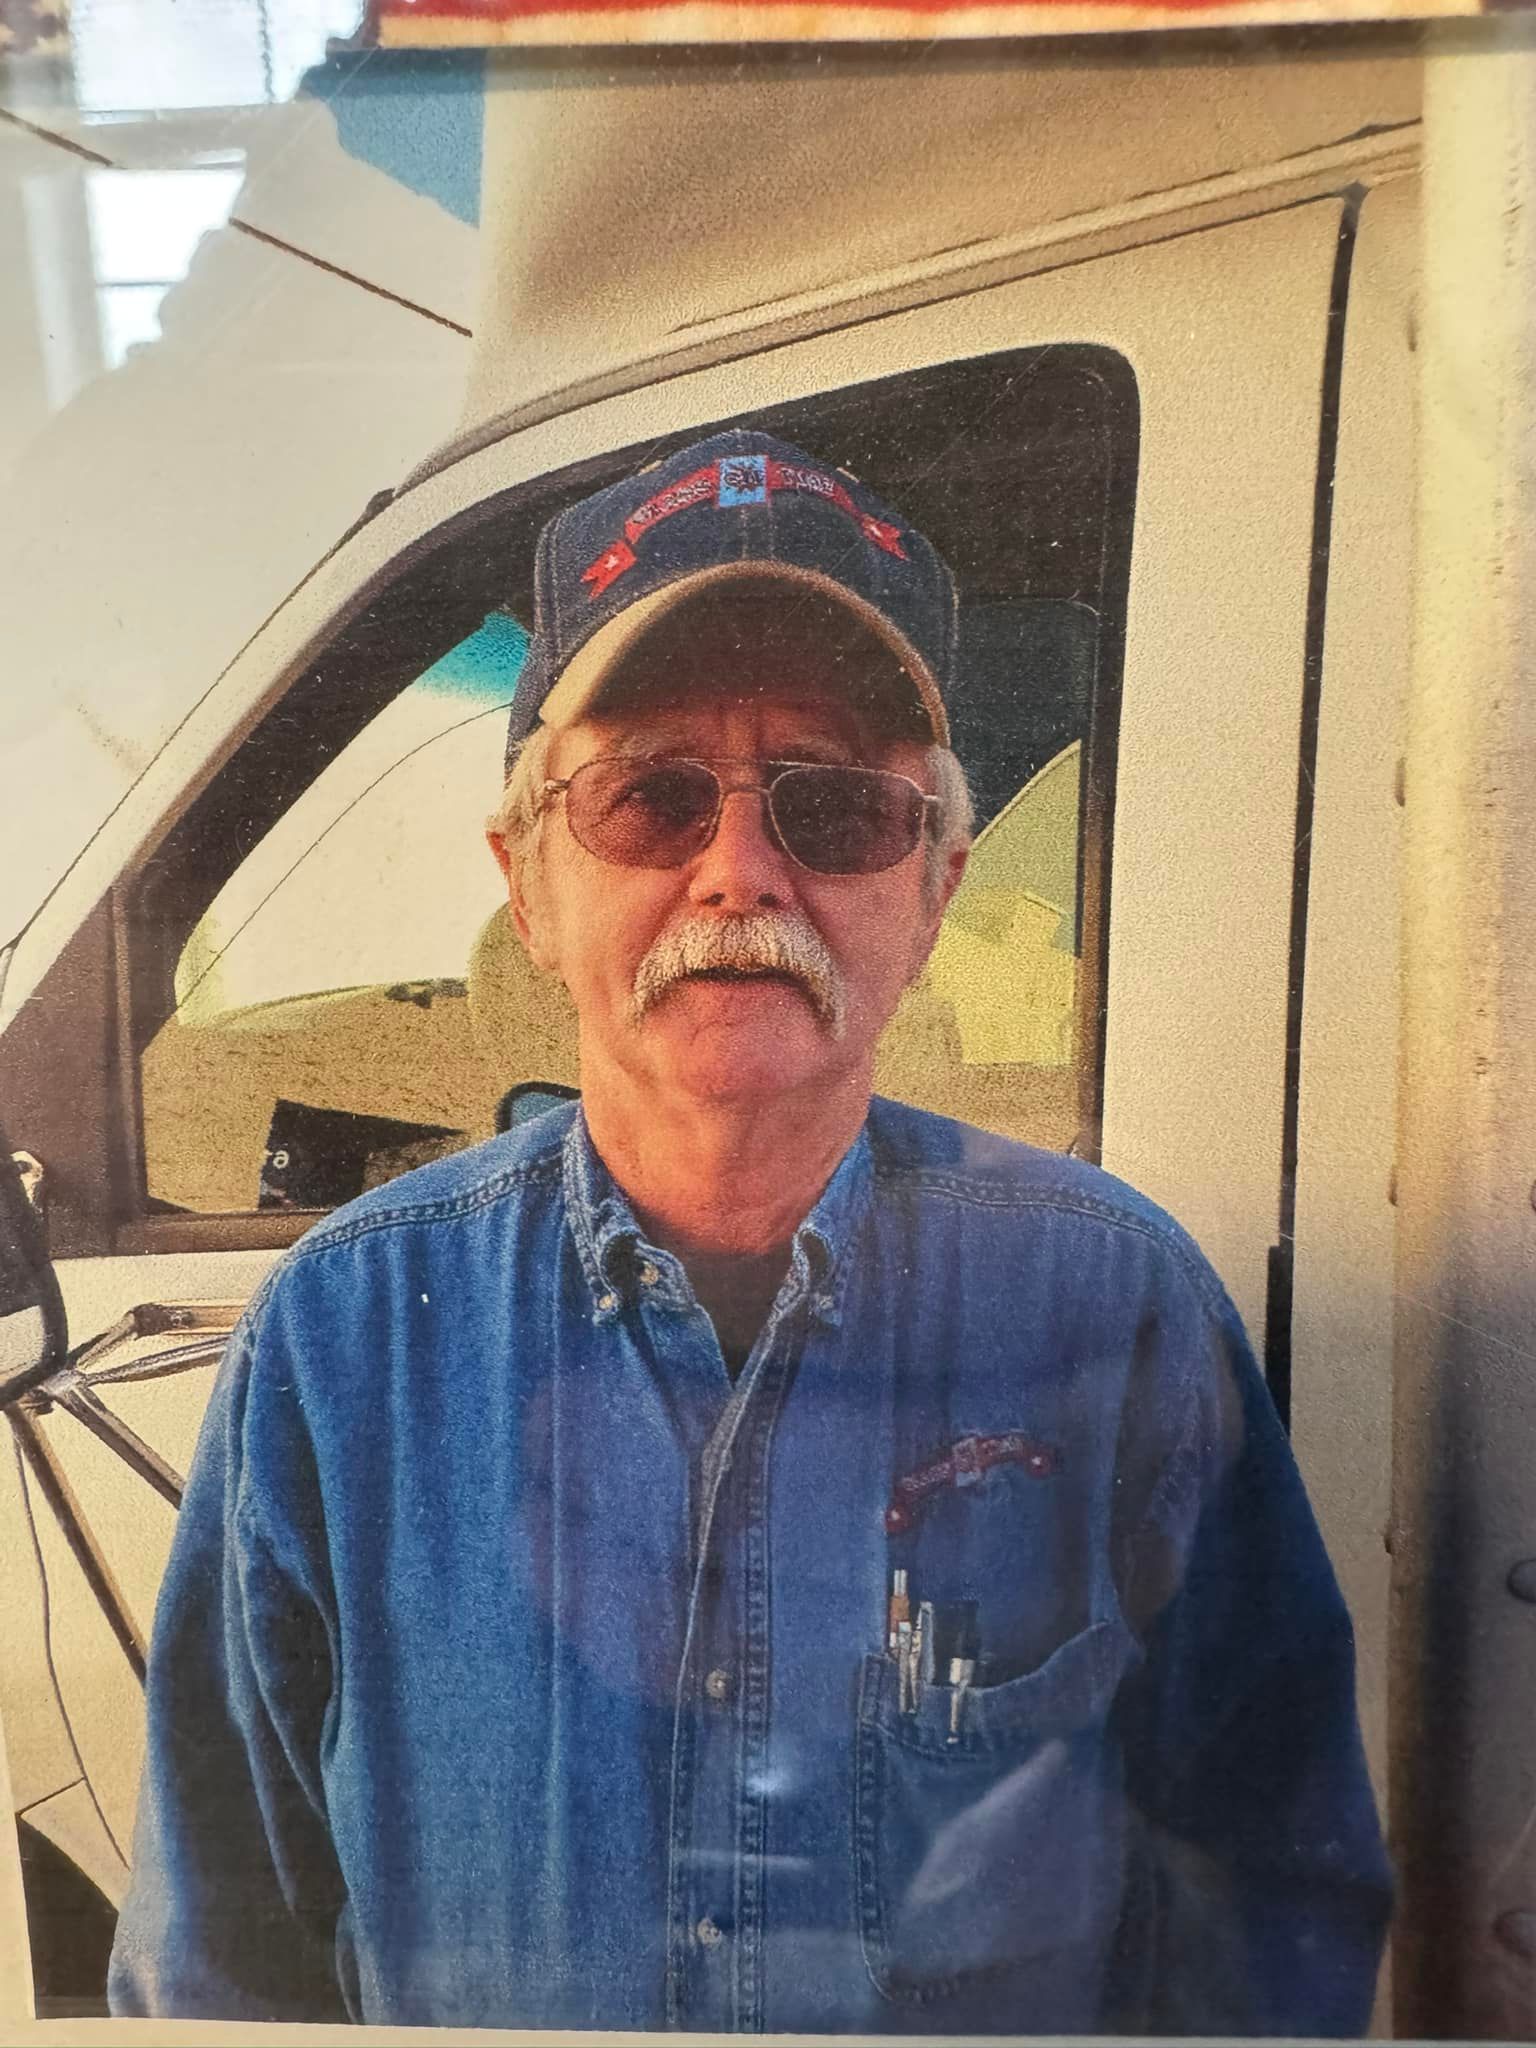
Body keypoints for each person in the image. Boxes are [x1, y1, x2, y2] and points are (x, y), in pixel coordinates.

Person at [108, 429, 1391, 2032]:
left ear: (934, 886)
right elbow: (217, 1966)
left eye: (837, 806)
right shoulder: (338, 1337)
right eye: (652, 797)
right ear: (531, 880)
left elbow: (1273, 1911)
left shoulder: (1122, 1310)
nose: (739, 869)